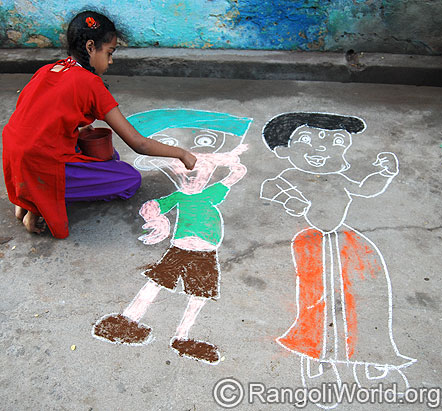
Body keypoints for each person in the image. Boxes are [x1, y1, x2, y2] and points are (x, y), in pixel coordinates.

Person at [261, 112, 415, 399]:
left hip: (351, 244)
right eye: (306, 140)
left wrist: (384, 174)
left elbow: (364, 190)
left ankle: (371, 353)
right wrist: (289, 199)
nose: (322, 148)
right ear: (283, 149)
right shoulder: (290, 176)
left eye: (335, 142)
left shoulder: (341, 178)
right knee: (317, 298)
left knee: (366, 294)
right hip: (312, 244)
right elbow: (270, 189)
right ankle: (318, 356)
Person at [2, 11, 196, 239]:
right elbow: (138, 143)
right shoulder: (91, 84)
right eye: (109, 53)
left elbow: (31, 120)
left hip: (14, 158)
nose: (110, 61)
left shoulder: (48, 70)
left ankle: (24, 198)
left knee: (96, 150)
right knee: (129, 179)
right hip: (40, 164)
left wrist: (77, 129)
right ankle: (35, 203)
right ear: (91, 47)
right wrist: (181, 153)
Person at [92, 109, 252, 364]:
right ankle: (128, 321)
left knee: (198, 293)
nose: (189, 177)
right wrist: (158, 221)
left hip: (205, 250)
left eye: (199, 173)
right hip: (180, 248)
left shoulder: (210, 194)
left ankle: (184, 336)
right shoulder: (178, 197)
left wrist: (232, 160)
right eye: (181, 174)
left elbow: (235, 176)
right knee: (157, 282)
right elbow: (153, 205)